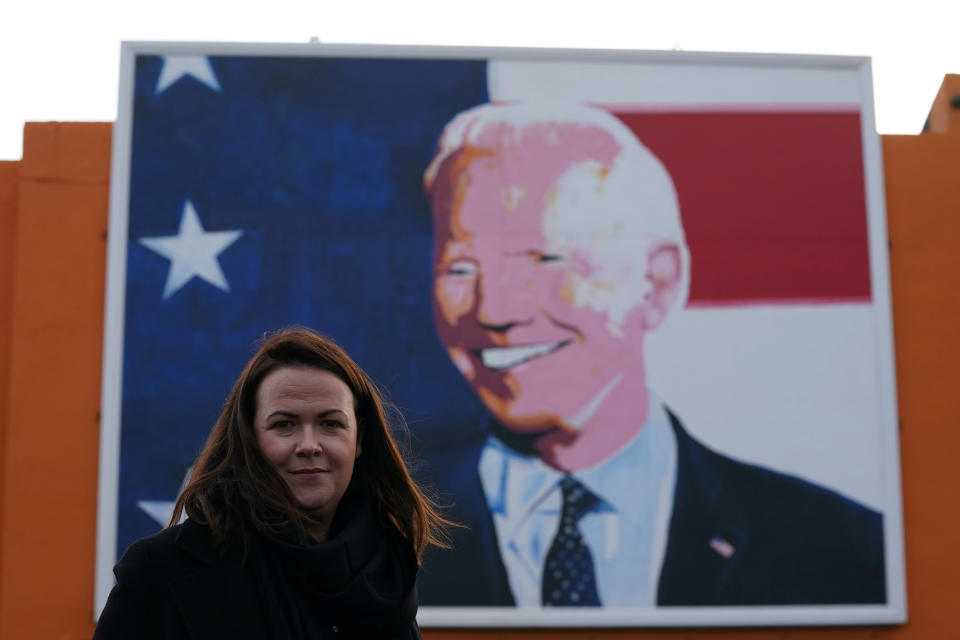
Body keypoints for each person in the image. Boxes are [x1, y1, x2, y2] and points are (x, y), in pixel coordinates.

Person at [417, 102, 885, 607]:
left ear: (658, 283)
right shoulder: (373, 525)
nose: (495, 310)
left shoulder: (839, 547)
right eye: (459, 269)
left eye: (547, 258)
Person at [95, 328, 446, 639]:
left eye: (330, 424)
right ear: (250, 439)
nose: (309, 445)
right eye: (284, 425)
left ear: (360, 440)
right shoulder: (161, 570)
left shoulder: (386, 571)